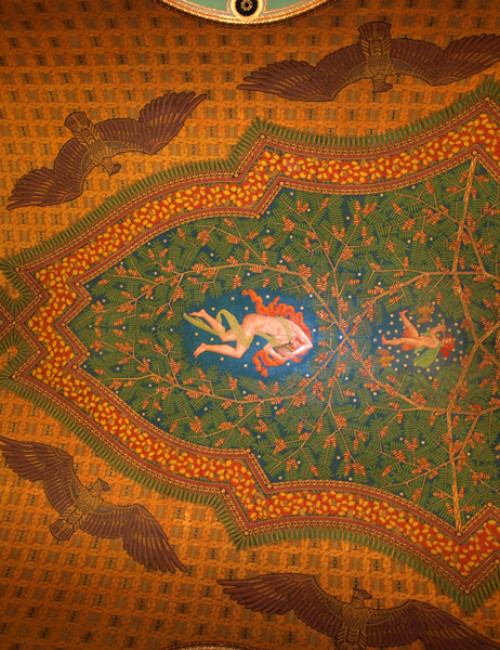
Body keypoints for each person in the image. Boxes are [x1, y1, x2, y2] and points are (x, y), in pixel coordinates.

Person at [184, 308, 313, 361]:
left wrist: (280, 357)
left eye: (295, 347)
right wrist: (294, 354)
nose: (295, 345)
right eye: (299, 344)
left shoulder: (283, 341)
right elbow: (309, 345)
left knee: (224, 337)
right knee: (237, 353)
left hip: (251, 326)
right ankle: (206, 347)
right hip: (253, 323)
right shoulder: (293, 327)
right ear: (301, 338)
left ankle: (204, 314)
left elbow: (266, 348)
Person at [381, 310, 455, 368]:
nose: (446, 339)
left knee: (403, 340)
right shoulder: (438, 341)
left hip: (416, 343)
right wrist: (440, 328)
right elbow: (431, 333)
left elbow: (432, 332)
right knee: (410, 327)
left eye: (448, 341)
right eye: (447, 338)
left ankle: (386, 342)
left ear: (446, 345)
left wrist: (440, 327)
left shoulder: (437, 344)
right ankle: (402, 315)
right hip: (417, 338)